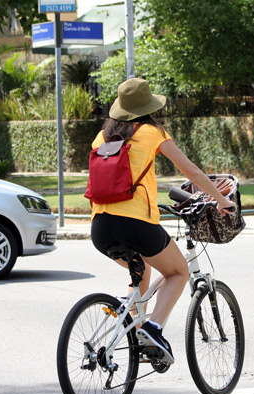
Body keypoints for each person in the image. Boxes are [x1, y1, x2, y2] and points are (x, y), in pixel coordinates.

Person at [90, 78, 236, 365]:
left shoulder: (102, 136)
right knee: (178, 272)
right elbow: (192, 172)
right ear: (148, 107)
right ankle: (153, 329)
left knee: (139, 269)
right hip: (135, 223)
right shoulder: (153, 132)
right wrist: (222, 200)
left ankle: (134, 326)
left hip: (100, 226)